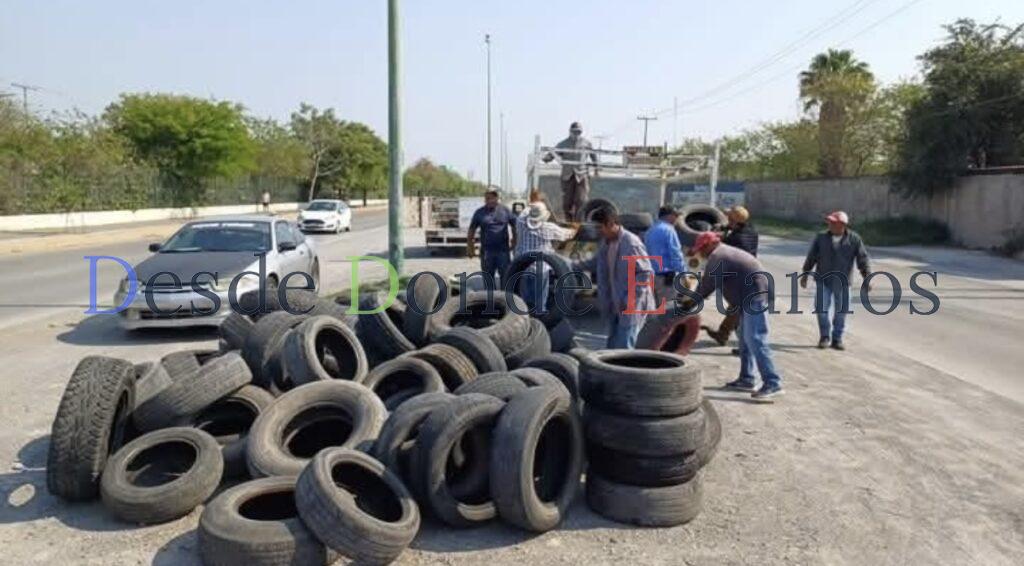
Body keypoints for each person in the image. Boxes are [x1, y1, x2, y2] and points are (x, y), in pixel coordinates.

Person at [688, 231, 783, 402]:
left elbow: (707, 285)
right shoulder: (723, 253)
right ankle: (747, 379)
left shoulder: (720, 256)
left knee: (755, 339)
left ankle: (772, 382)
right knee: (745, 341)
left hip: (756, 298)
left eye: (702, 248)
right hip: (746, 299)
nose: (700, 252)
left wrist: (689, 304)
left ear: (710, 244)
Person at [574, 207, 656, 349]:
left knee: (624, 347)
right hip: (615, 303)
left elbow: (645, 273)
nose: (598, 231)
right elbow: (594, 263)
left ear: (610, 224)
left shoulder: (630, 243)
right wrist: (568, 264)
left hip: (631, 305)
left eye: (600, 227)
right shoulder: (606, 243)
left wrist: (630, 299)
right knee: (612, 346)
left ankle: (626, 370)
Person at [800, 210, 871, 351]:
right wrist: (805, 274)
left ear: (842, 225)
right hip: (823, 280)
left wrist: (867, 277)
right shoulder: (821, 238)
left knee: (842, 311)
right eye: (829, 222)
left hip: (843, 282)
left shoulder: (854, 239)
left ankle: (837, 338)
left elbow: (862, 259)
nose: (830, 224)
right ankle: (824, 336)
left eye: (833, 222)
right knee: (821, 309)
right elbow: (812, 256)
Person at [703, 205, 759, 346]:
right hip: (745, 274)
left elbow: (722, 247)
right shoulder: (750, 231)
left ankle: (745, 345)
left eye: (730, 218)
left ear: (735, 220)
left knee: (738, 309)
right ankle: (723, 334)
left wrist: (717, 235)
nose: (727, 220)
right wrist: (726, 230)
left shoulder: (737, 238)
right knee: (735, 308)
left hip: (741, 277)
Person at [514, 201, 576, 312]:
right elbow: (567, 235)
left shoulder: (520, 223)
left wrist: (532, 204)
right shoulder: (547, 228)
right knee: (540, 299)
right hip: (540, 269)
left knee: (524, 298)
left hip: (522, 267)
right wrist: (575, 228)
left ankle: (525, 318)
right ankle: (540, 317)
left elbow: (524, 213)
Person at [543, 122, 598, 221]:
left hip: (581, 175)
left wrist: (596, 167)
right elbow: (553, 153)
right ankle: (568, 221)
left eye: (578, 132)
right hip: (567, 175)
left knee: (581, 200)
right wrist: (547, 158)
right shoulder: (563, 143)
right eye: (574, 132)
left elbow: (593, 155)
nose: (576, 134)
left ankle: (578, 222)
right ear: (570, 132)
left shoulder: (586, 143)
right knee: (567, 202)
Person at [467, 190, 515, 290]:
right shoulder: (479, 212)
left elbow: (515, 225)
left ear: (497, 198)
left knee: (506, 279)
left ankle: (505, 302)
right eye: (487, 198)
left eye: (492, 198)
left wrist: (515, 241)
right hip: (487, 253)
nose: (489, 200)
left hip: (503, 252)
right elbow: (471, 230)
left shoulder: (505, 210)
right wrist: (470, 247)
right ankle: (491, 303)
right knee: (488, 280)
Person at [644, 205, 685, 303]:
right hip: (666, 278)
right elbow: (675, 254)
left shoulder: (650, 231)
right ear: (670, 216)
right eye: (676, 216)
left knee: (654, 307)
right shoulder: (669, 230)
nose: (677, 219)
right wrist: (684, 273)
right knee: (668, 308)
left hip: (651, 276)